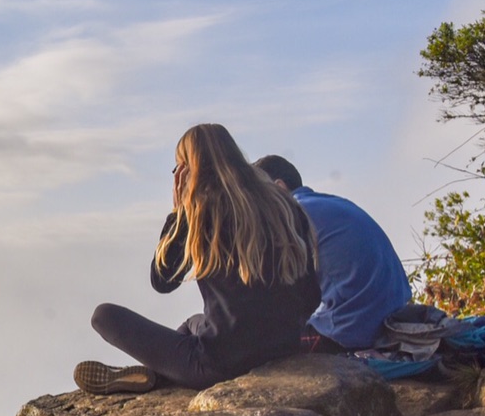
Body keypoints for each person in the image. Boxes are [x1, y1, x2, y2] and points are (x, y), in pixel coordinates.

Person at [76, 123, 320, 394]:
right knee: (192, 324)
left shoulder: (204, 211)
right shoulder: (284, 206)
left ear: (190, 169)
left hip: (220, 365)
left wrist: (178, 211)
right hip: (286, 347)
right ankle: (157, 373)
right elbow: (312, 295)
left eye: (179, 168)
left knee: (104, 316)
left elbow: (163, 281)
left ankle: (156, 376)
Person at [252, 155, 412, 353]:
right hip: (391, 318)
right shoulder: (332, 203)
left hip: (352, 330)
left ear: (279, 187)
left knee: (253, 345)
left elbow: (275, 292)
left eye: (256, 195)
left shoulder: (294, 215)